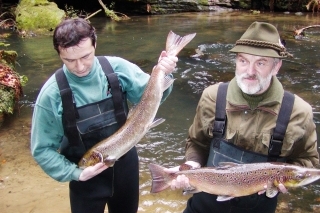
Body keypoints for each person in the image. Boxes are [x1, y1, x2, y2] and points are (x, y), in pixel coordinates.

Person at [166, 21, 320, 213]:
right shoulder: (212, 96)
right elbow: (197, 143)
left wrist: (286, 181)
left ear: (276, 66)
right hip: (204, 205)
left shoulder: (299, 112)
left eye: (261, 63)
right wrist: (190, 165)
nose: (250, 71)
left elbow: (309, 162)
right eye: (243, 61)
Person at [30, 18, 178, 213]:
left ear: (95, 44)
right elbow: (42, 150)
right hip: (85, 182)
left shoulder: (118, 69)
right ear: (59, 54)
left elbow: (152, 99)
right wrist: (75, 173)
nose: (80, 66)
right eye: (69, 60)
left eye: (85, 56)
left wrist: (164, 72)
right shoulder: (52, 94)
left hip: (126, 171)